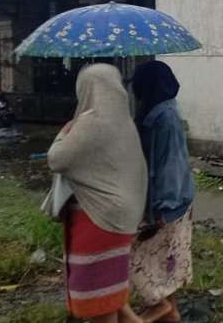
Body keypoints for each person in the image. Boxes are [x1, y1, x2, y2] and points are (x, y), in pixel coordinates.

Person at [44, 64, 147, 323]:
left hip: (97, 220)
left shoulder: (91, 123)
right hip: (122, 219)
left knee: (98, 297)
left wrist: (65, 131)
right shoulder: (124, 121)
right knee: (111, 287)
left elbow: (57, 159)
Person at [129, 61, 196, 323]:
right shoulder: (159, 111)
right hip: (168, 201)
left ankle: (160, 308)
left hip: (168, 203)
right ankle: (170, 312)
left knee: (142, 255)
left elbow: (171, 165)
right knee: (167, 258)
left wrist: (162, 210)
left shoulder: (163, 118)